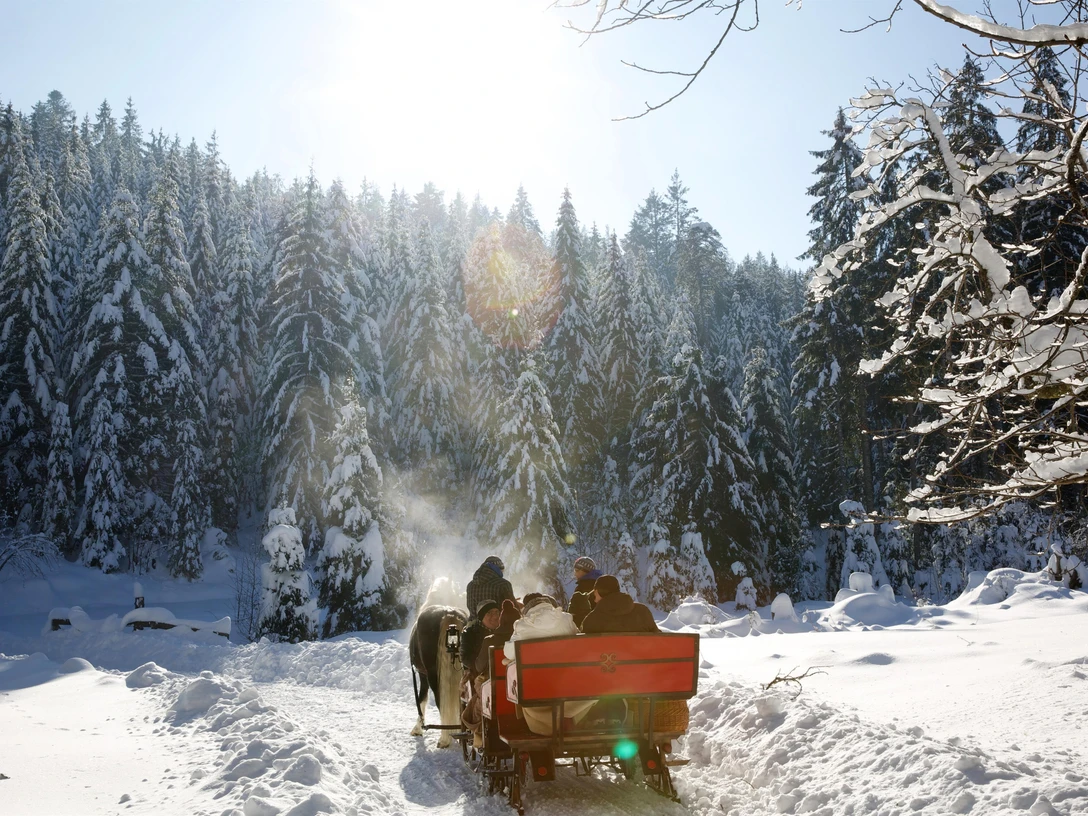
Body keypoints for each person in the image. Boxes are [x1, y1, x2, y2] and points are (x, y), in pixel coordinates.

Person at [504, 594, 595, 734]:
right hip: (567, 683)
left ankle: (539, 725)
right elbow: (579, 644)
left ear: (528, 610)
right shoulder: (565, 619)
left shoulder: (522, 626)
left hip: (537, 686)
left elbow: (509, 653)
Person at [580, 574, 659, 634]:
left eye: (595, 594)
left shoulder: (591, 620)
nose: (595, 600)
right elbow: (659, 639)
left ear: (598, 592)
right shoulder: (643, 612)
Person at [459, 599, 502, 678]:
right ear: (481, 617)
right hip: (479, 676)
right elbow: (466, 658)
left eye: (496, 612)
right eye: (489, 613)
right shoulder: (470, 634)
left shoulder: (504, 630)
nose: (495, 616)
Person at [567, 555, 602, 628]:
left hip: (586, 629)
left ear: (585, 571)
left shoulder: (583, 588)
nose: (575, 574)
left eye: (577, 570)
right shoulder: (600, 584)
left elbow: (576, 613)